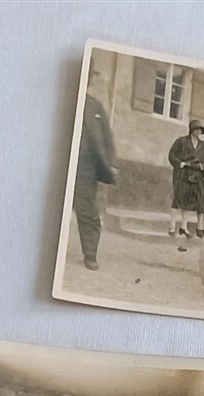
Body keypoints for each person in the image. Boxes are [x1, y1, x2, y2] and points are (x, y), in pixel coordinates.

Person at [72, 71, 118, 271]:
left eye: (88, 76)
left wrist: (111, 163)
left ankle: (90, 254)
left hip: (85, 168)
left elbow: (106, 138)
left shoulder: (94, 106)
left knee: (88, 212)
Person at [167, 121, 204, 246]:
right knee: (178, 199)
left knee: (188, 201)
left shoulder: (203, 145)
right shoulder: (181, 141)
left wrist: (202, 166)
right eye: (198, 130)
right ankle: (172, 226)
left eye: (201, 131)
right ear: (192, 130)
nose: (199, 133)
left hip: (194, 175)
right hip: (182, 173)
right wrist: (181, 164)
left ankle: (184, 227)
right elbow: (172, 155)